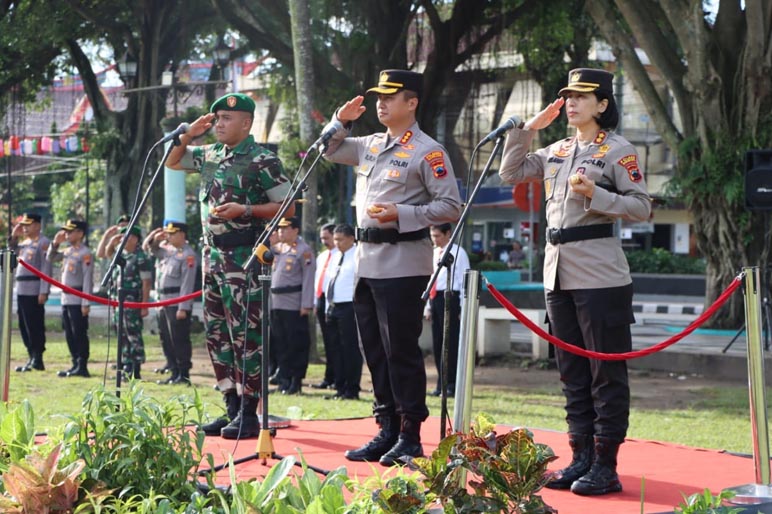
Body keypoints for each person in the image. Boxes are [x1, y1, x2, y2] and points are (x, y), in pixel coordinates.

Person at [498, 68, 651, 496]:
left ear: (602, 105)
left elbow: (641, 207)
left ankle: (606, 463)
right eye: (568, 95)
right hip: (558, 270)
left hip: (601, 273)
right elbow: (511, 174)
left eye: (582, 96)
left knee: (606, 372)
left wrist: (595, 195)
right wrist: (528, 130)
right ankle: (580, 455)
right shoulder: (558, 149)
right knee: (572, 372)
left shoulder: (618, 150)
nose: (571, 103)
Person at [323, 69, 462, 465]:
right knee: (374, 351)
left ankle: (410, 434)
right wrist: (341, 120)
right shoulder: (369, 144)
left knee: (400, 351)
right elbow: (328, 151)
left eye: (390, 96)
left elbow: (450, 206)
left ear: (412, 102)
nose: (381, 103)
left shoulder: (428, 151)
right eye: (378, 97)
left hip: (403, 262)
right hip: (366, 264)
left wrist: (400, 213)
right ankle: (385, 427)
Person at [166, 92, 293, 439]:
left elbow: (288, 208)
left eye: (226, 119)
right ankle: (231, 407)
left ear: (246, 123)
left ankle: (250, 413)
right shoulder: (209, 155)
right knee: (217, 334)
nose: (219, 124)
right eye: (217, 118)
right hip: (213, 258)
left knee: (246, 336)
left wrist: (246, 210)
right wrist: (188, 135)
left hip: (244, 257)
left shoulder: (262, 160)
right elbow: (173, 162)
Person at [144, 222, 198, 385]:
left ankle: (183, 374)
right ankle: (174, 371)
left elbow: (187, 284)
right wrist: (154, 237)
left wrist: (183, 307)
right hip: (163, 301)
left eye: (172, 233)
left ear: (182, 234)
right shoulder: (167, 251)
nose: (168, 236)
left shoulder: (188, 254)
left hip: (177, 302)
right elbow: (148, 249)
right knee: (166, 338)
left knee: (179, 339)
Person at [269, 216, 315, 395]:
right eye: (279, 229)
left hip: (294, 303)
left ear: (296, 230)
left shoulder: (304, 251)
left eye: (285, 228)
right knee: (279, 342)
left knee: (295, 343)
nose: (281, 231)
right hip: (276, 302)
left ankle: (296, 380)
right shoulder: (277, 249)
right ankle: (283, 379)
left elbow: (308, 279)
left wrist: (306, 304)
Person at [424, 223, 470, 398]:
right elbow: (431, 280)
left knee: (449, 342)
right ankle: (440, 383)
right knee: (437, 343)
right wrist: (428, 305)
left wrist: (462, 307)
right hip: (436, 298)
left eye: (438, 236)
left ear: (448, 234)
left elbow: (464, 279)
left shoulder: (459, 252)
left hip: (451, 297)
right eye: (432, 236)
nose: (435, 239)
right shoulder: (434, 253)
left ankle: (451, 383)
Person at [46, 219, 93, 377]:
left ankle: (82, 364)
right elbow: (50, 258)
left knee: (79, 332)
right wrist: (55, 244)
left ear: (80, 233)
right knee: (69, 332)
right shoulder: (67, 251)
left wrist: (85, 302)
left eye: (70, 231)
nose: (66, 234)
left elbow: (88, 279)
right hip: (66, 298)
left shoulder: (84, 253)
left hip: (78, 298)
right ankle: (74, 363)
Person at [105, 225, 152, 379]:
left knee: (133, 334)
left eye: (129, 236)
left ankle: (136, 368)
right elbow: (106, 254)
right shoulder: (122, 255)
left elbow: (146, 282)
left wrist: (144, 304)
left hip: (133, 301)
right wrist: (112, 241)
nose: (125, 240)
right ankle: (126, 366)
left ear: (136, 239)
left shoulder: (141, 257)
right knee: (122, 334)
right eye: (123, 236)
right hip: (119, 300)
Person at [324, 223, 361, 400]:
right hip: (333, 306)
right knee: (335, 349)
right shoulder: (336, 256)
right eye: (335, 239)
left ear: (351, 239)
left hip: (350, 306)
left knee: (350, 348)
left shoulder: (358, 256)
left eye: (340, 240)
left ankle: (352, 388)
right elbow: (329, 282)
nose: (337, 243)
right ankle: (339, 387)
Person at [10, 213, 51, 372]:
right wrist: (14, 236)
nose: (25, 227)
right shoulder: (24, 243)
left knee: (35, 324)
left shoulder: (43, 243)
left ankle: (37, 357)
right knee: (23, 324)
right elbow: (10, 253)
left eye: (29, 224)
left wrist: (44, 291)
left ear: (38, 225)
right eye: (24, 225)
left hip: (34, 289)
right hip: (21, 288)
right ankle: (30, 354)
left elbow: (46, 268)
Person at [312, 223, 339, 390]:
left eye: (327, 238)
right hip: (321, 300)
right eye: (322, 238)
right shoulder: (322, 256)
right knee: (328, 342)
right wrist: (316, 302)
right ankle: (328, 377)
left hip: (335, 301)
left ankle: (337, 377)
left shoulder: (340, 256)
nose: (324, 241)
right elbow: (317, 280)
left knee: (336, 342)